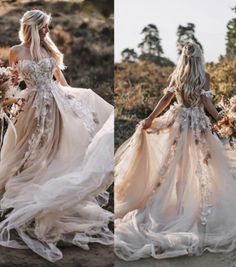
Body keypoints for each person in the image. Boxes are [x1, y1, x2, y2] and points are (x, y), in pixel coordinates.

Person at [0, 9, 114, 262]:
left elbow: (60, 81)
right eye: (44, 27)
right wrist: (5, 95)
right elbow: (14, 80)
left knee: (51, 150)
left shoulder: (48, 51)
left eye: (48, 27)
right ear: (33, 27)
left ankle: (45, 189)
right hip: (29, 107)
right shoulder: (16, 51)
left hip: (55, 105)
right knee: (27, 150)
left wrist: (77, 102)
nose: (48, 31)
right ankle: (23, 192)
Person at [114, 42, 236, 261]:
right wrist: (220, 118)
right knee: (201, 166)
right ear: (200, 56)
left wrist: (151, 117)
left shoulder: (177, 75)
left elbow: (165, 100)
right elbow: (207, 103)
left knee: (177, 167)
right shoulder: (204, 76)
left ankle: (180, 206)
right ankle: (191, 209)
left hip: (180, 122)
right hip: (197, 125)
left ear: (183, 57)